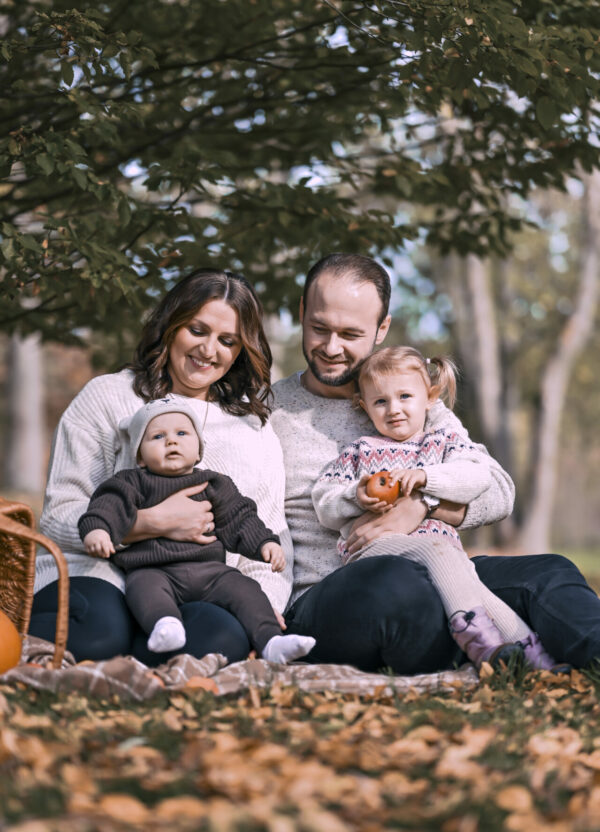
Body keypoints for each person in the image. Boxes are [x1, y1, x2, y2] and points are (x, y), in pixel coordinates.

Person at [271, 252, 600, 673]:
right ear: (301, 312)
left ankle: (582, 654)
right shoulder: (271, 413)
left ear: (381, 328)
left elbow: (498, 490)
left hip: (440, 563)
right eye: (319, 328)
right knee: (398, 585)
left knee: (549, 572)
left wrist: (421, 504)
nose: (332, 347)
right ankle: (497, 650)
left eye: (350, 333)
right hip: (336, 590)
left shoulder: (410, 397)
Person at [32, 268, 294, 666]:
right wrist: (147, 524)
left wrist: (262, 609)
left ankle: (149, 648)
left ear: (241, 351)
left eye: (227, 341)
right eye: (197, 330)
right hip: (97, 573)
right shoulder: (107, 396)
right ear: (171, 324)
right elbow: (58, 516)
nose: (209, 350)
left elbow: (270, 530)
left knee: (221, 637)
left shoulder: (252, 429)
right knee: (100, 633)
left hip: (200, 585)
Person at [312, 345, 558, 670]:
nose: (394, 409)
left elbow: (477, 474)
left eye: (405, 397)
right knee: (436, 551)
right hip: (374, 550)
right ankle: (480, 645)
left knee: (475, 587)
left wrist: (427, 477)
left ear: (430, 397)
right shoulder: (360, 451)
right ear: (364, 406)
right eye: (380, 401)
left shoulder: (441, 442)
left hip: (445, 552)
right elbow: (324, 500)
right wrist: (356, 496)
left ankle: (537, 662)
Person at [78, 398, 315, 663]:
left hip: (211, 573)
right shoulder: (131, 482)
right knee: (143, 589)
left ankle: (271, 642)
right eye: (157, 436)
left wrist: (265, 544)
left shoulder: (213, 484)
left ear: (199, 450)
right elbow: (106, 507)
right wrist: (97, 530)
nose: (171, 441)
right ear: (140, 457)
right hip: (155, 570)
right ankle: (166, 625)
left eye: (181, 433)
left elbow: (239, 519)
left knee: (246, 589)